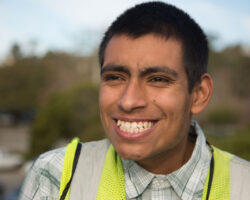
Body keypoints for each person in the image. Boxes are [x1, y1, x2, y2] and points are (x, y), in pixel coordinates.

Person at [19, 1, 250, 200]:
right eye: (115, 77)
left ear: (199, 94)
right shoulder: (57, 176)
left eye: (158, 79)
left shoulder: (244, 185)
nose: (128, 101)